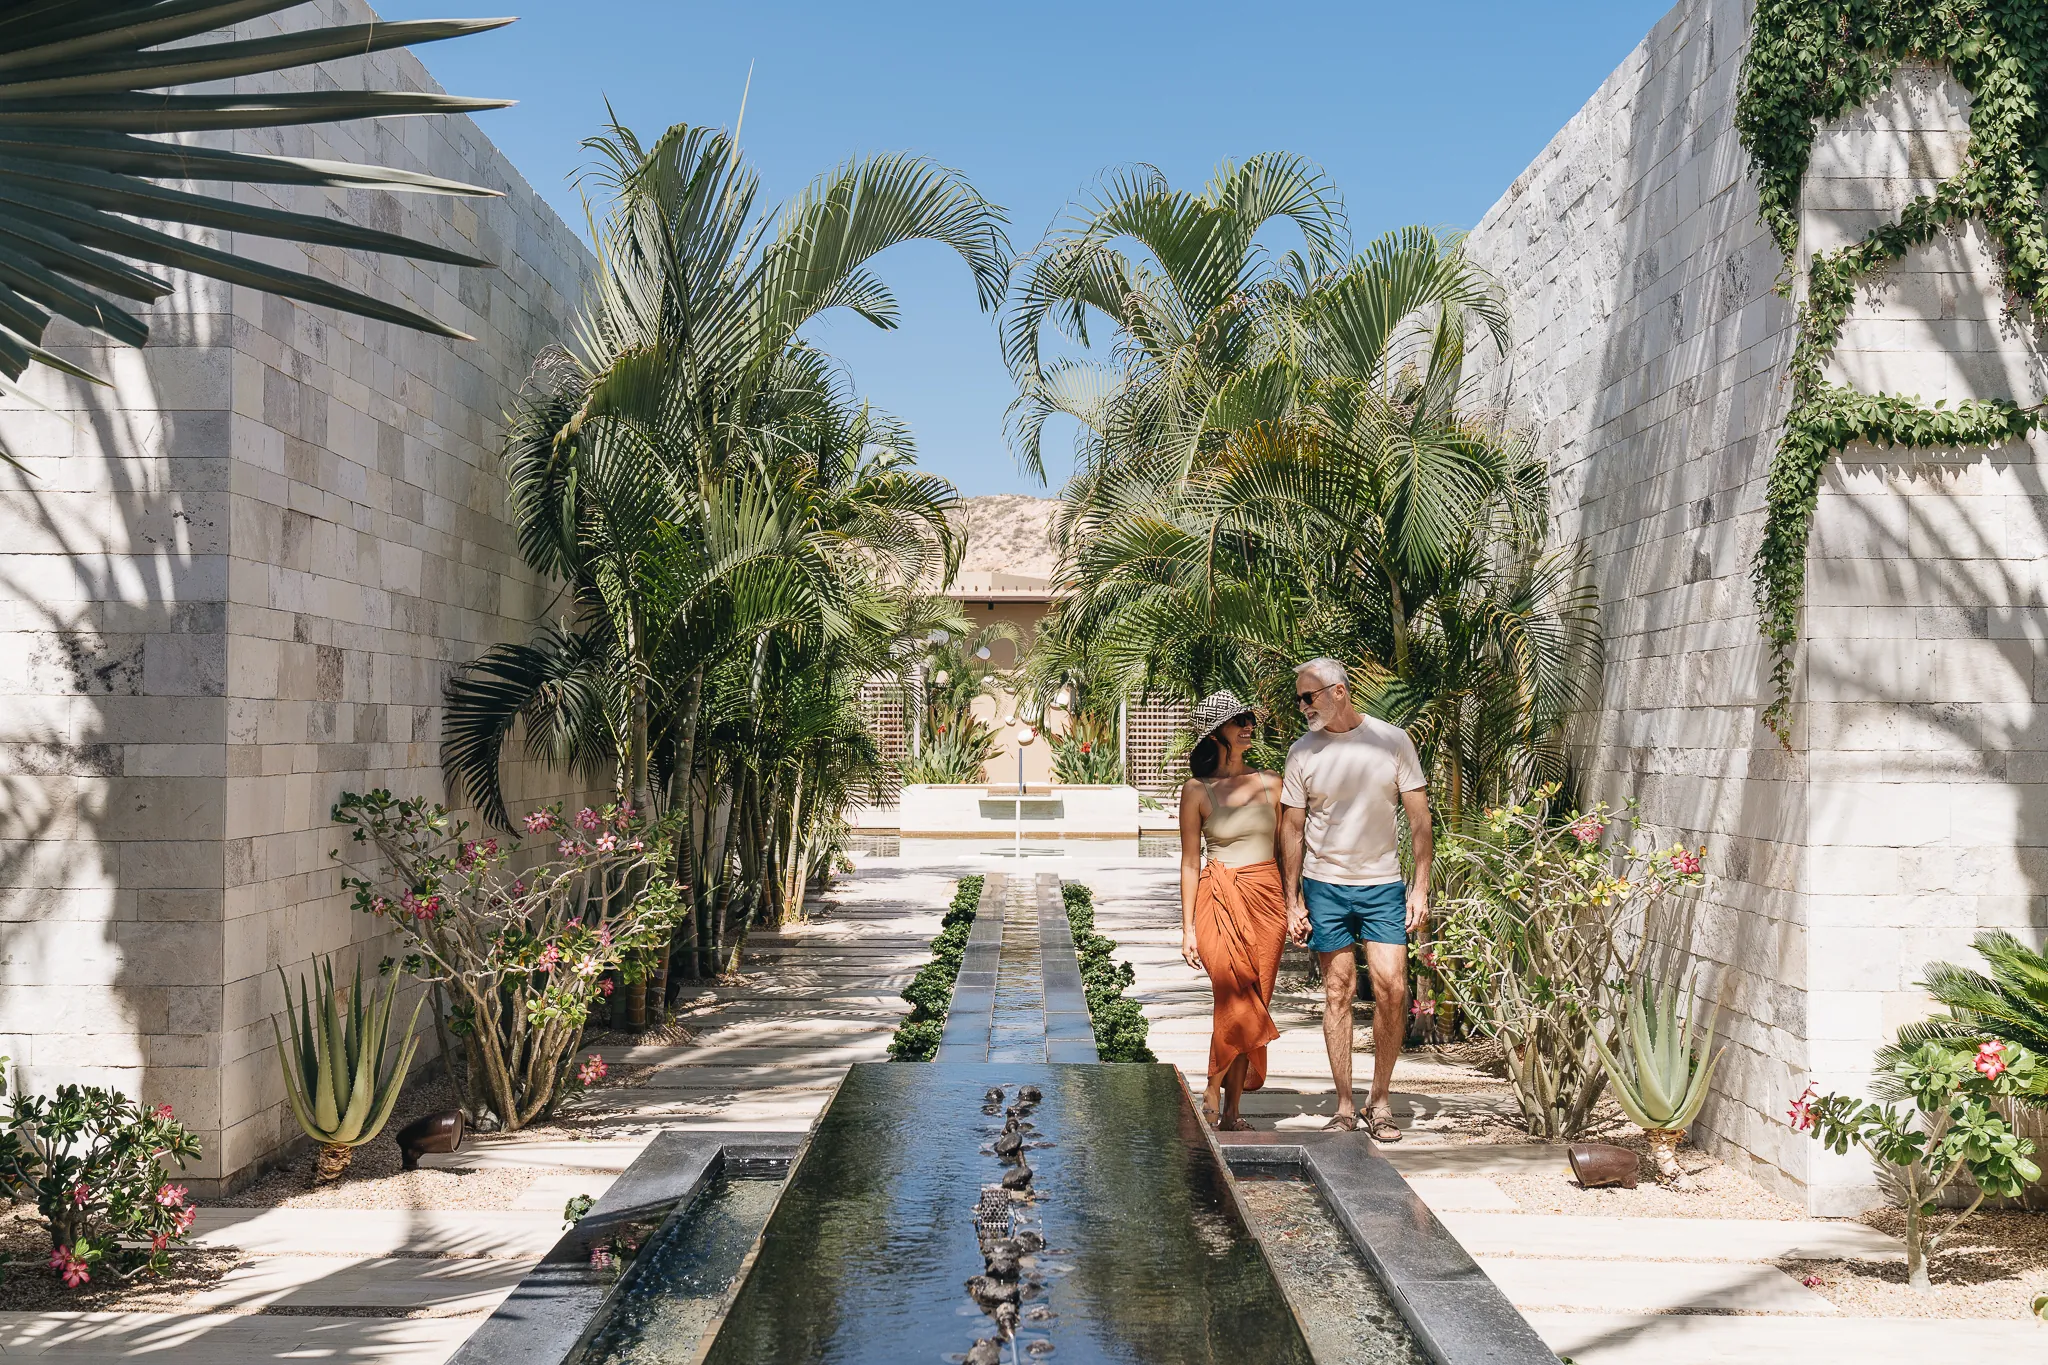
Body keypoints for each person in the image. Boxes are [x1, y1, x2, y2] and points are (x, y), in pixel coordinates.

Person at [1279, 657, 1431, 1141]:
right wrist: (1292, 900)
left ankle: (1380, 1100)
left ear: (1338, 691)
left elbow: (1420, 820)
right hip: (1324, 885)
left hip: (1382, 885)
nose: (1302, 706)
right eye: (1299, 698)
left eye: (1309, 697)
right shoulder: (1302, 752)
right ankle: (1345, 1104)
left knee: (1393, 988)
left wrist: (1420, 886)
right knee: (1338, 992)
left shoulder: (1392, 740)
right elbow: (1292, 829)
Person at [1177, 690, 1289, 1131]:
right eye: (1238, 720)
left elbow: (1288, 849)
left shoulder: (1273, 783)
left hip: (1267, 899)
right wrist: (1187, 928)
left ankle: (1232, 1111)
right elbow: (1189, 861)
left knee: (1256, 999)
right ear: (1216, 732)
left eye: (1249, 720)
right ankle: (1212, 1086)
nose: (1248, 726)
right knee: (1232, 995)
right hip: (1217, 896)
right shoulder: (1196, 790)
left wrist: (1296, 904)